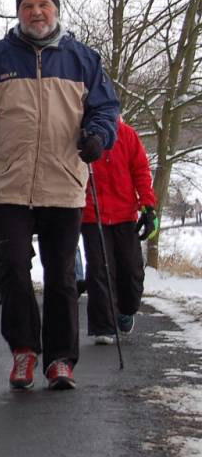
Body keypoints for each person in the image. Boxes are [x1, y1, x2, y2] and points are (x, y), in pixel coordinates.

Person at [0, 0, 120, 391]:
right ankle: (24, 352)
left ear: (56, 9)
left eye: (43, 5)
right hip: (7, 183)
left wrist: (98, 137)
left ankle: (61, 359)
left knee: (62, 274)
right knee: (12, 270)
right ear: (18, 13)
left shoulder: (84, 59)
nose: (36, 12)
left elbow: (105, 109)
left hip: (63, 183)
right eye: (28, 6)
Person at [81, 117, 157, 344]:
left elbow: (141, 171)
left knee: (131, 269)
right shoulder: (81, 136)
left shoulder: (127, 134)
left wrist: (148, 205)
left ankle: (126, 309)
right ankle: (103, 326)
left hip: (125, 214)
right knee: (99, 269)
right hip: (92, 214)